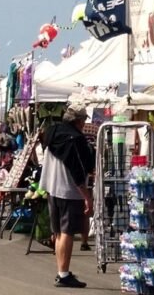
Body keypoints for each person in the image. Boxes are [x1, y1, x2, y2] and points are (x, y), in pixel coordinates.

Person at [40, 105, 95, 289]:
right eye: (84, 120)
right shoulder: (76, 139)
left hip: (50, 186)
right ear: (78, 121)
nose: (84, 123)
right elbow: (77, 170)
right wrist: (87, 196)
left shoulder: (52, 131)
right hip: (68, 191)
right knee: (67, 232)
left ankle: (61, 271)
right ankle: (63, 274)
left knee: (58, 232)